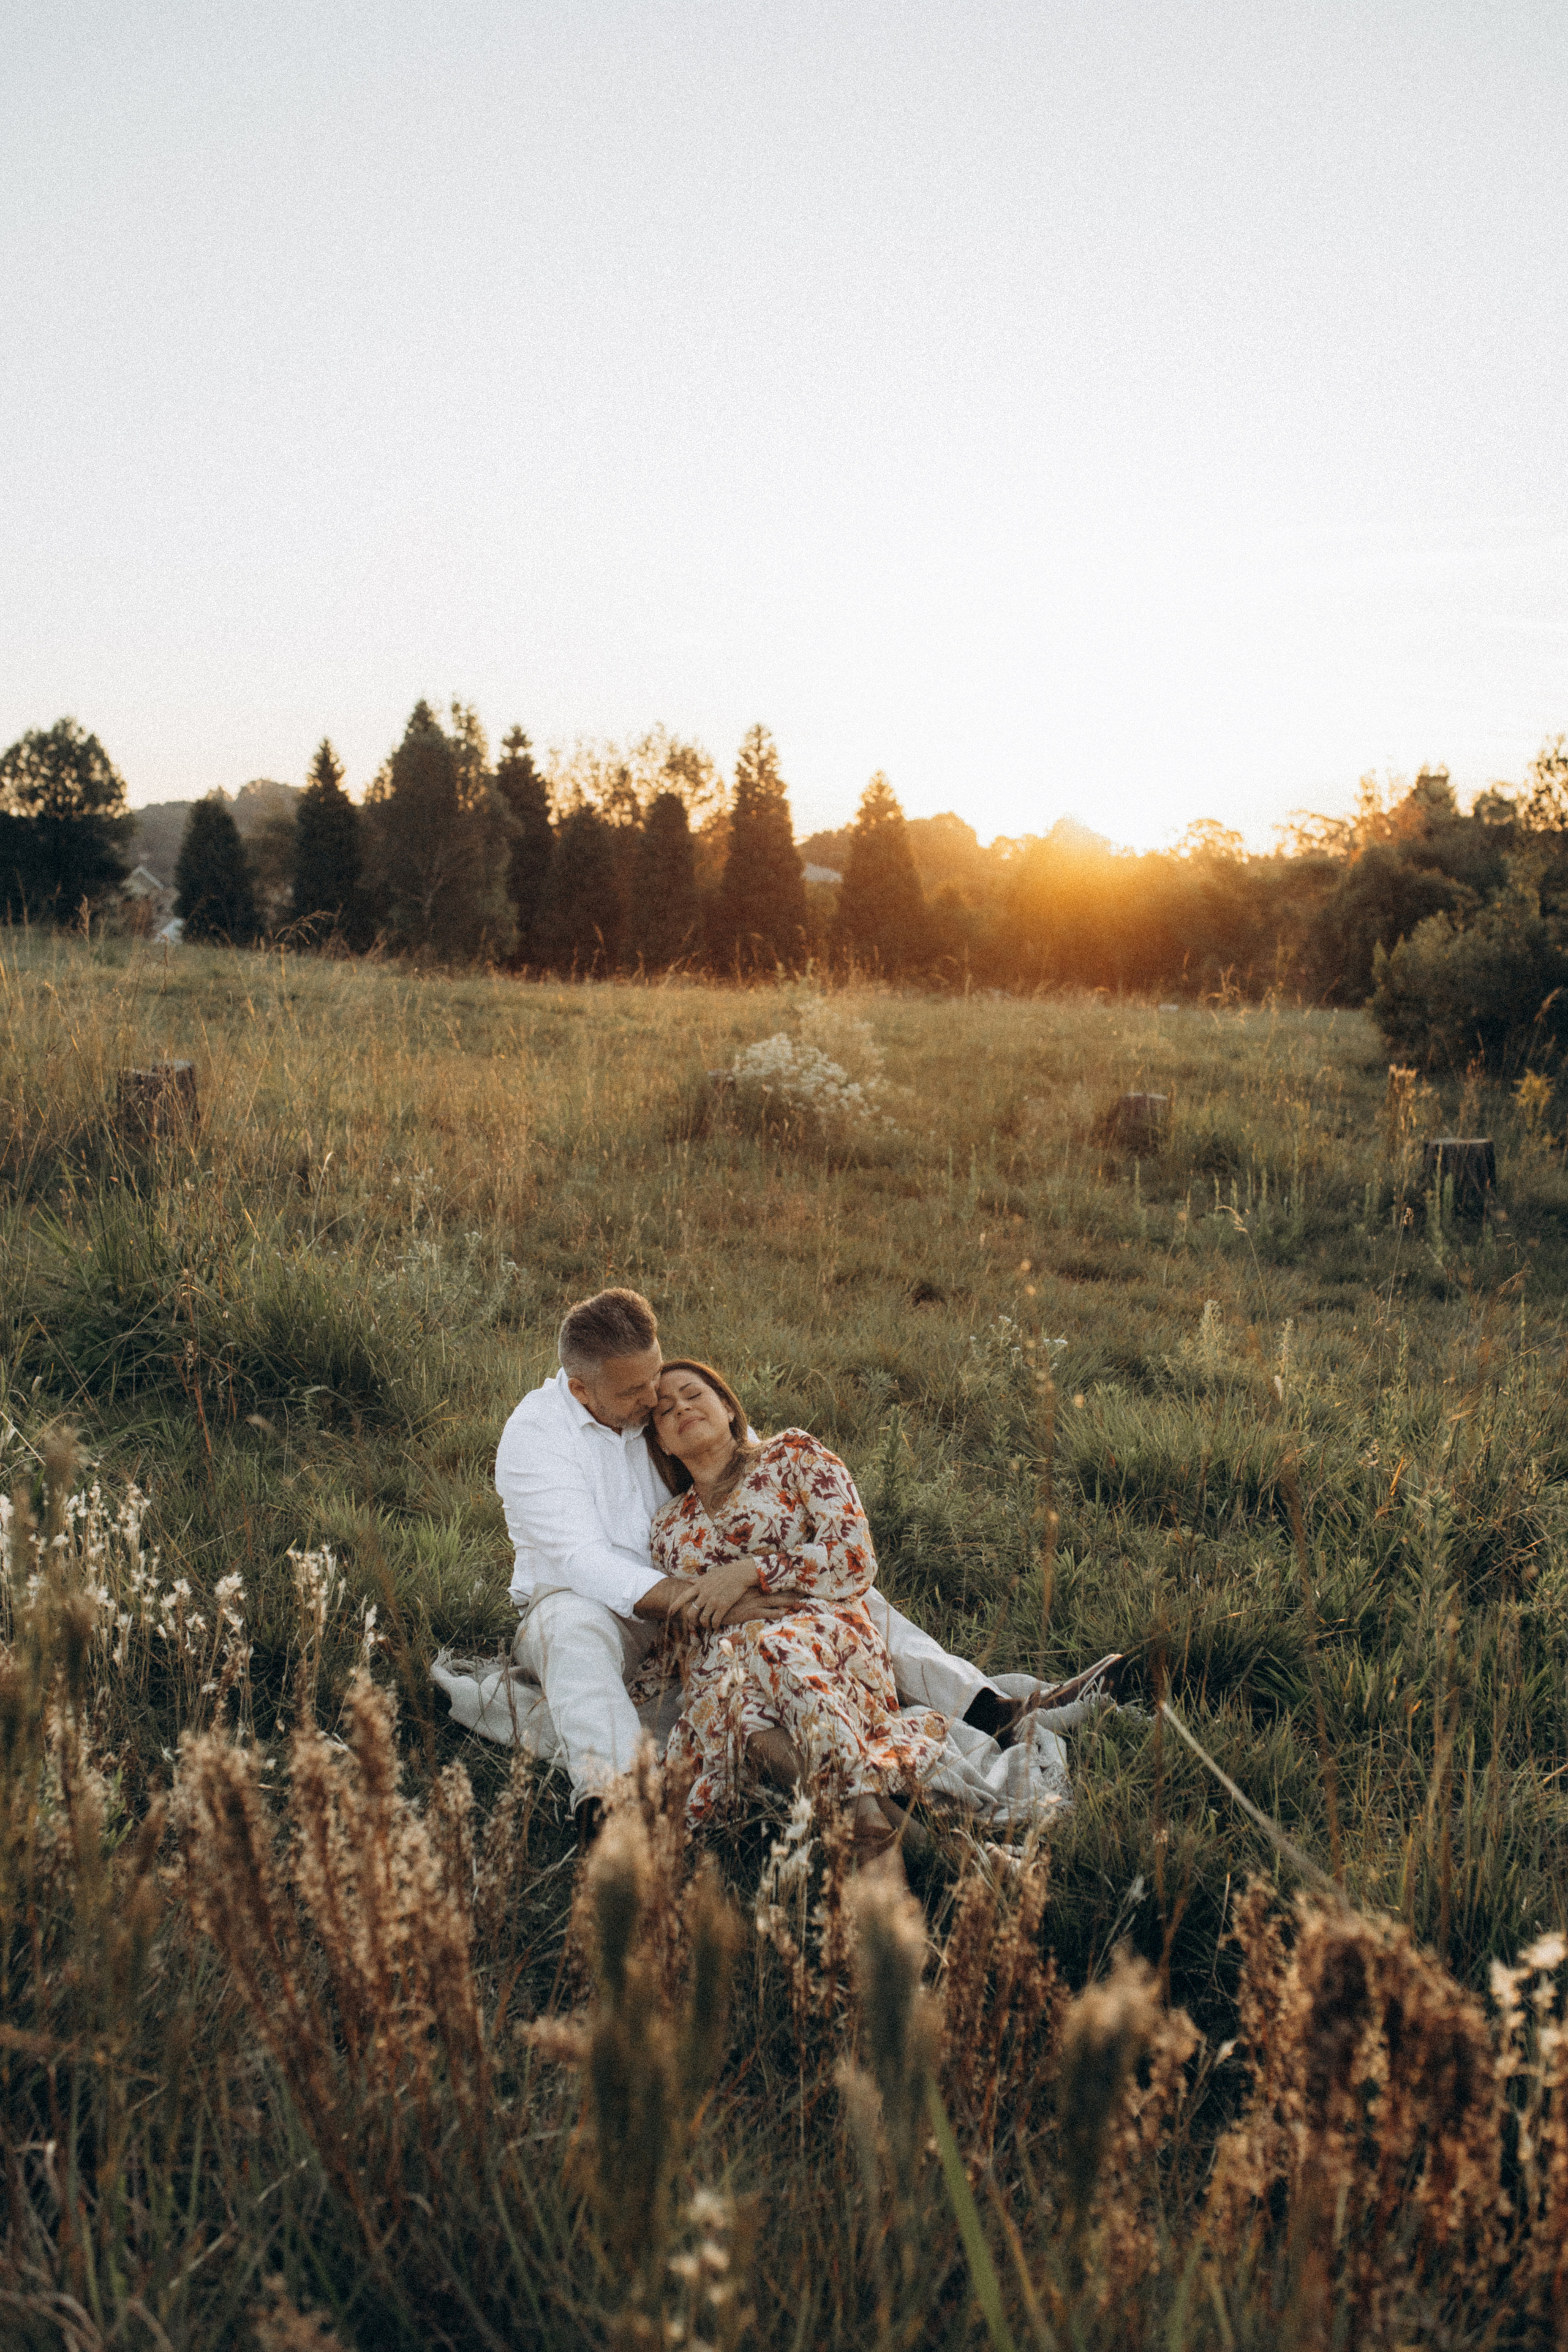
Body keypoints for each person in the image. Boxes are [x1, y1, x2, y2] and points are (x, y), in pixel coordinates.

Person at [494, 1287, 1051, 1838]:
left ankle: (983, 1708)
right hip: (595, 1601)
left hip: (704, 1586)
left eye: (655, 1375)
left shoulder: (656, 1401)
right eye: (636, 1392)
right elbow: (582, 1561)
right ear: (580, 1389)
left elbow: (751, 1471)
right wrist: (715, 1600)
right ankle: (615, 1799)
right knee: (570, 1631)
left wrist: (760, 1576)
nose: (652, 1397)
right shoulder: (537, 1435)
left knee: (834, 1586)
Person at [646, 1358, 945, 1861]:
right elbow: (684, 1620)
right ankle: (909, 1843)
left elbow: (854, 1558)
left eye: (693, 1394)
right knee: (745, 1714)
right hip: (731, 1667)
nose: (681, 1408)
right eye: (663, 1410)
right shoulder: (667, 1526)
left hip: (825, 1643)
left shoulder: (793, 1455)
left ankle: (863, 1824)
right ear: (662, 1444)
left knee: (774, 1646)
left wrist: (749, 1573)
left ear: (726, 1405)